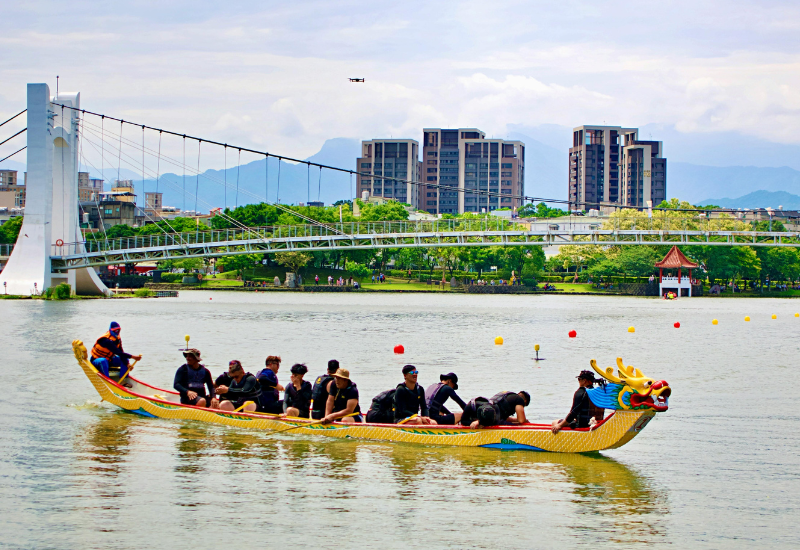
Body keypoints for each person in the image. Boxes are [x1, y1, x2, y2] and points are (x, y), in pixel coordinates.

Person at [90, 321, 142, 386]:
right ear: (110, 330)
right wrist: (133, 357)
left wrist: (127, 364)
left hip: (109, 359)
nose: (117, 332)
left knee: (125, 360)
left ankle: (123, 380)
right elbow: (117, 352)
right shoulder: (106, 340)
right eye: (115, 331)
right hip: (96, 361)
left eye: (118, 330)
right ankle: (107, 381)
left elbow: (121, 352)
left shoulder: (117, 339)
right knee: (103, 361)